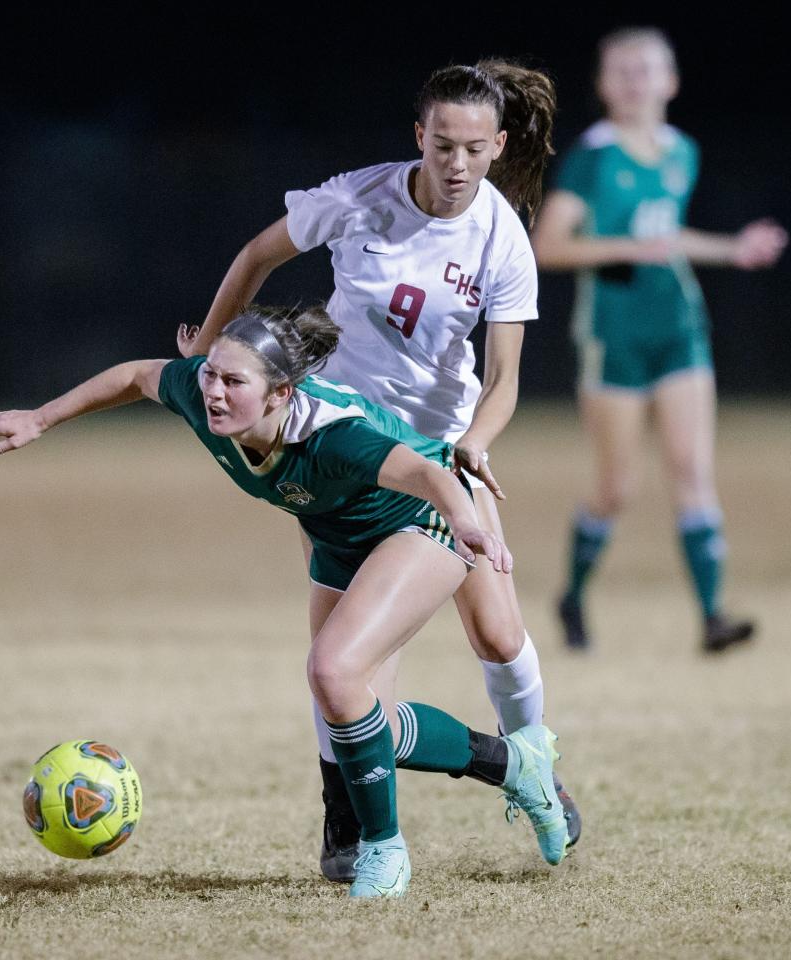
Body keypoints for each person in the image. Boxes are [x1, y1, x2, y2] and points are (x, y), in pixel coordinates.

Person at [0, 305, 571, 897]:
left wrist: (467, 522)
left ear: (281, 393)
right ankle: (514, 766)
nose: (214, 393)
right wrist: (40, 419)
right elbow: (134, 376)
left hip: (426, 519)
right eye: (210, 375)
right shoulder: (205, 402)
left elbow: (429, 475)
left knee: (332, 670)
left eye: (234, 381)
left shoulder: (332, 437)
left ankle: (382, 850)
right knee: (359, 718)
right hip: (341, 538)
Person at [180, 59, 581, 881]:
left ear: (499, 145)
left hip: (433, 452)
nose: (457, 163)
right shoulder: (361, 197)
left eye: (474, 148)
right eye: (442, 145)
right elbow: (258, 253)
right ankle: (349, 827)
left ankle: (538, 769)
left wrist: (473, 442)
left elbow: (503, 379)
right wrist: (212, 346)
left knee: (497, 632)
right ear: (419, 138)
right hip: (343, 447)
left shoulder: (503, 236)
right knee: (343, 661)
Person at [530, 27, 788, 654]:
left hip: (678, 328)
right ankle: (572, 596)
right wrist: (623, 247)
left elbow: (666, 236)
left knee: (693, 470)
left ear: (670, 81)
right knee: (618, 487)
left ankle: (712, 618)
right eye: (621, 71)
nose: (635, 82)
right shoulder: (593, 156)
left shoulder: (682, 151)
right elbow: (549, 246)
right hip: (614, 337)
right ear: (602, 85)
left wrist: (734, 248)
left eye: (646, 70)